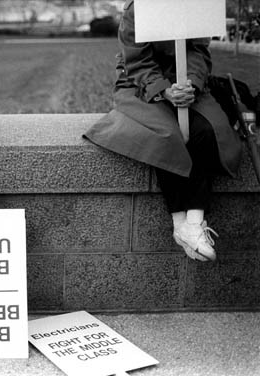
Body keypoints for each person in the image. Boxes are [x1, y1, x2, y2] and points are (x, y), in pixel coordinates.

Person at [84, 0, 242, 262]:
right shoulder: (137, 8)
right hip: (141, 84)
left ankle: (194, 222)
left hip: (187, 84)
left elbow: (198, 51)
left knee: (206, 130)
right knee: (167, 134)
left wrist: (189, 84)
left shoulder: (196, 3)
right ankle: (179, 223)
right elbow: (137, 60)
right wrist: (164, 89)